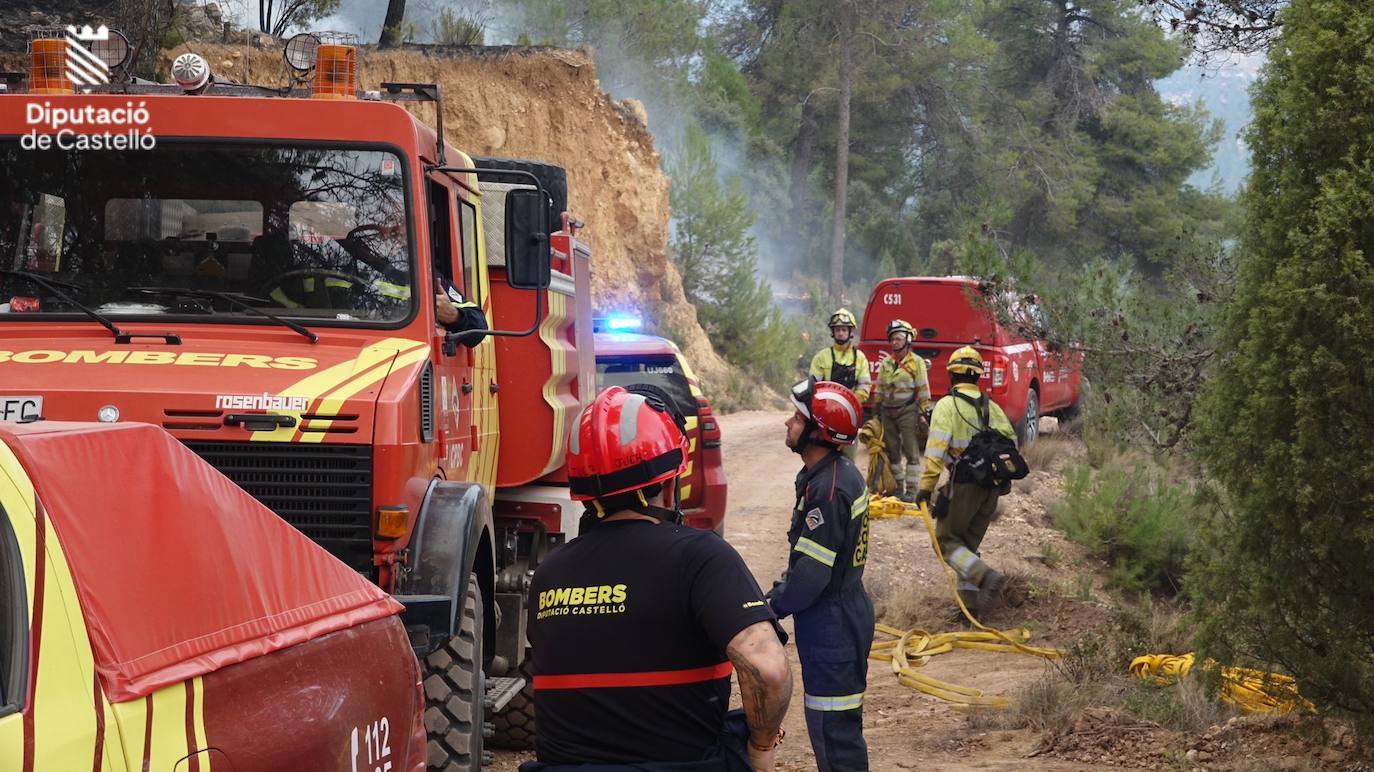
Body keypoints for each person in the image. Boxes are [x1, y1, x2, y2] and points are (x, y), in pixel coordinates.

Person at [524, 385, 793, 771]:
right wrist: (761, 749)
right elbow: (767, 669)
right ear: (670, 483)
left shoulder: (549, 574)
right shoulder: (701, 557)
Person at [767, 378, 874, 772]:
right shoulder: (829, 475)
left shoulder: (828, 490)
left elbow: (811, 576)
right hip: (835, 617)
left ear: (818, 432)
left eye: (797, 418)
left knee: (834, 735)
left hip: (833, 627)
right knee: (832, 732)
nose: (787, 423)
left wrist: (771, 608)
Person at [913, 346, 1016, 618]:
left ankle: (986, 577)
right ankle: (969, 610)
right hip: (991, 489)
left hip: (964, 485)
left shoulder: (947, 406)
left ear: (951, 375)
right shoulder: (991, 408)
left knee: (946, 542)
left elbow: (936, 449)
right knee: (967, 547)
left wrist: (925, 487)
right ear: (978, 377)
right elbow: (1012, 443)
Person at [873, 319, 932, 502]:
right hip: (887, 413)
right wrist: (876, 412)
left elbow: (923, 390)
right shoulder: (886, 364)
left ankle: (912, 491)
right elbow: (880, 388)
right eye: (892, 339)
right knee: (893, 451)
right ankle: (899, 488)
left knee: (911, 452)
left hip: (908, 411)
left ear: (907, 339)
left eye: (898, 338)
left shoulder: (917, 363)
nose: (894, 342)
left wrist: (924, 413)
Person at [808, 309, 872, 461]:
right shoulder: (821, 357)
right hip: (825, 416)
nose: (841, 333)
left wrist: (846, 406)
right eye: (837, 330)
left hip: (849, 417)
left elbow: (864, 388)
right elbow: (812, 388)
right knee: (822, 458)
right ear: (833, 332)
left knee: (847, 460)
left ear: (850, 332)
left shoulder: (860, 358)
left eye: (844, 329)